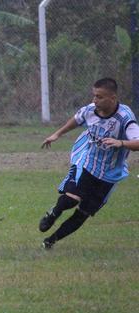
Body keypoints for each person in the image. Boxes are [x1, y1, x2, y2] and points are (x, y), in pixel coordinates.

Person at [39, 77, 139, 249]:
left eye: (99, 97)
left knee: (83, 213)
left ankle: (51, 241)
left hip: (110, 174)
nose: (94, 100)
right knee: (71, 199)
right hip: (88, 163)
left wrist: (121, 143)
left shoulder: (125, 117)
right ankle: (54, 213)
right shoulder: (90, 110)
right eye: (94, 96)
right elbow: (76, 120)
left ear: (113, 98)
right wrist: (57, 134)